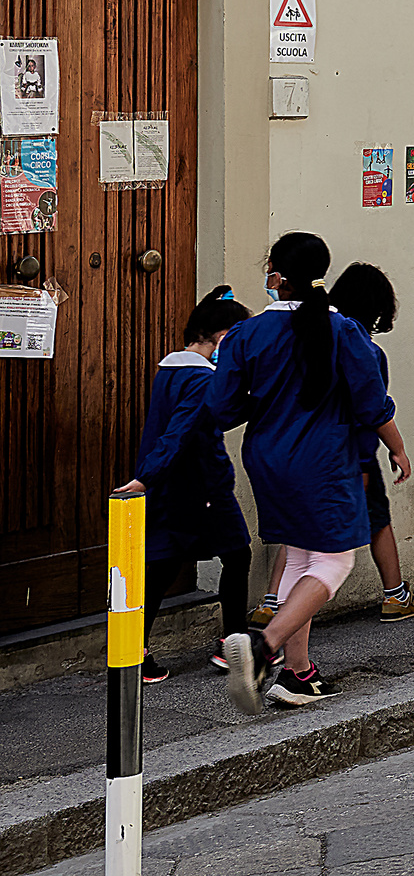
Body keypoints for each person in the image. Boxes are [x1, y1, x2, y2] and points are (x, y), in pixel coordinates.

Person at [212, 232, 413, 712]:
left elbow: (222, 410)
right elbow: (371, 403)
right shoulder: (341, 330)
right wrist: (398, 447)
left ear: (277, 278)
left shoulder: (245, 334)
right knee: (333, 562)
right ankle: (264, 646)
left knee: (301, 558)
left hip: (265, 459)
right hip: (322, 461)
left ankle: (299, 675)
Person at [113, 286, 253, 683]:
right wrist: (145, 478)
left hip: (173, 485)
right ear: (224, 336)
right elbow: (181, 431)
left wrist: (150, 476)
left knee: (160, 566)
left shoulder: (171, 371)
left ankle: (136, 653)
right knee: (237, 556)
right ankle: (233, 642)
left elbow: (194, 422)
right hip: (201, 485)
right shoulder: (202, 378)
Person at [329, 263, 414, 622]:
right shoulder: (365, 348)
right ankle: (396, 594)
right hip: (354, 452)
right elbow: (374, 407)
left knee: (301, 534)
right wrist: (398, 448)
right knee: (378, 521)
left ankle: (270, 603)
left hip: (313, 450)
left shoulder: (319, 336)